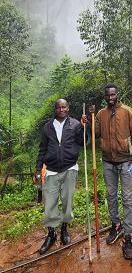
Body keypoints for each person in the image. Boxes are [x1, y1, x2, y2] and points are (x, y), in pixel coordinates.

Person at [89, 83, 132, 259]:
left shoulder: (127, 111)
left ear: (117, 94)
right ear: (105, 97)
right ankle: (115, 225)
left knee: (126, 197)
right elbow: (95, 134)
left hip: (126, 160)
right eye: (107, 95)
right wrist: (91, 118)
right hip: (107, 161)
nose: (110, 98)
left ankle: (127, 236)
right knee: (111, 195)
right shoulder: (101, 114)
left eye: (113, 95)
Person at [35, 98, 87, 255]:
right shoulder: (47, 127)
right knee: (49, 203)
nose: (61, 110)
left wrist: (85, 127)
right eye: (58, 108)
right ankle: (51, 234)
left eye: (64, 107)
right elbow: (42, 149)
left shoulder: (75, 125)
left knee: (67, 202)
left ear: (68, 108)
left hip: (69, 169)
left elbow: (84, 142)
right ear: (55, 109)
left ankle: (64, 228)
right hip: (50, 171)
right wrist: (38, 169)